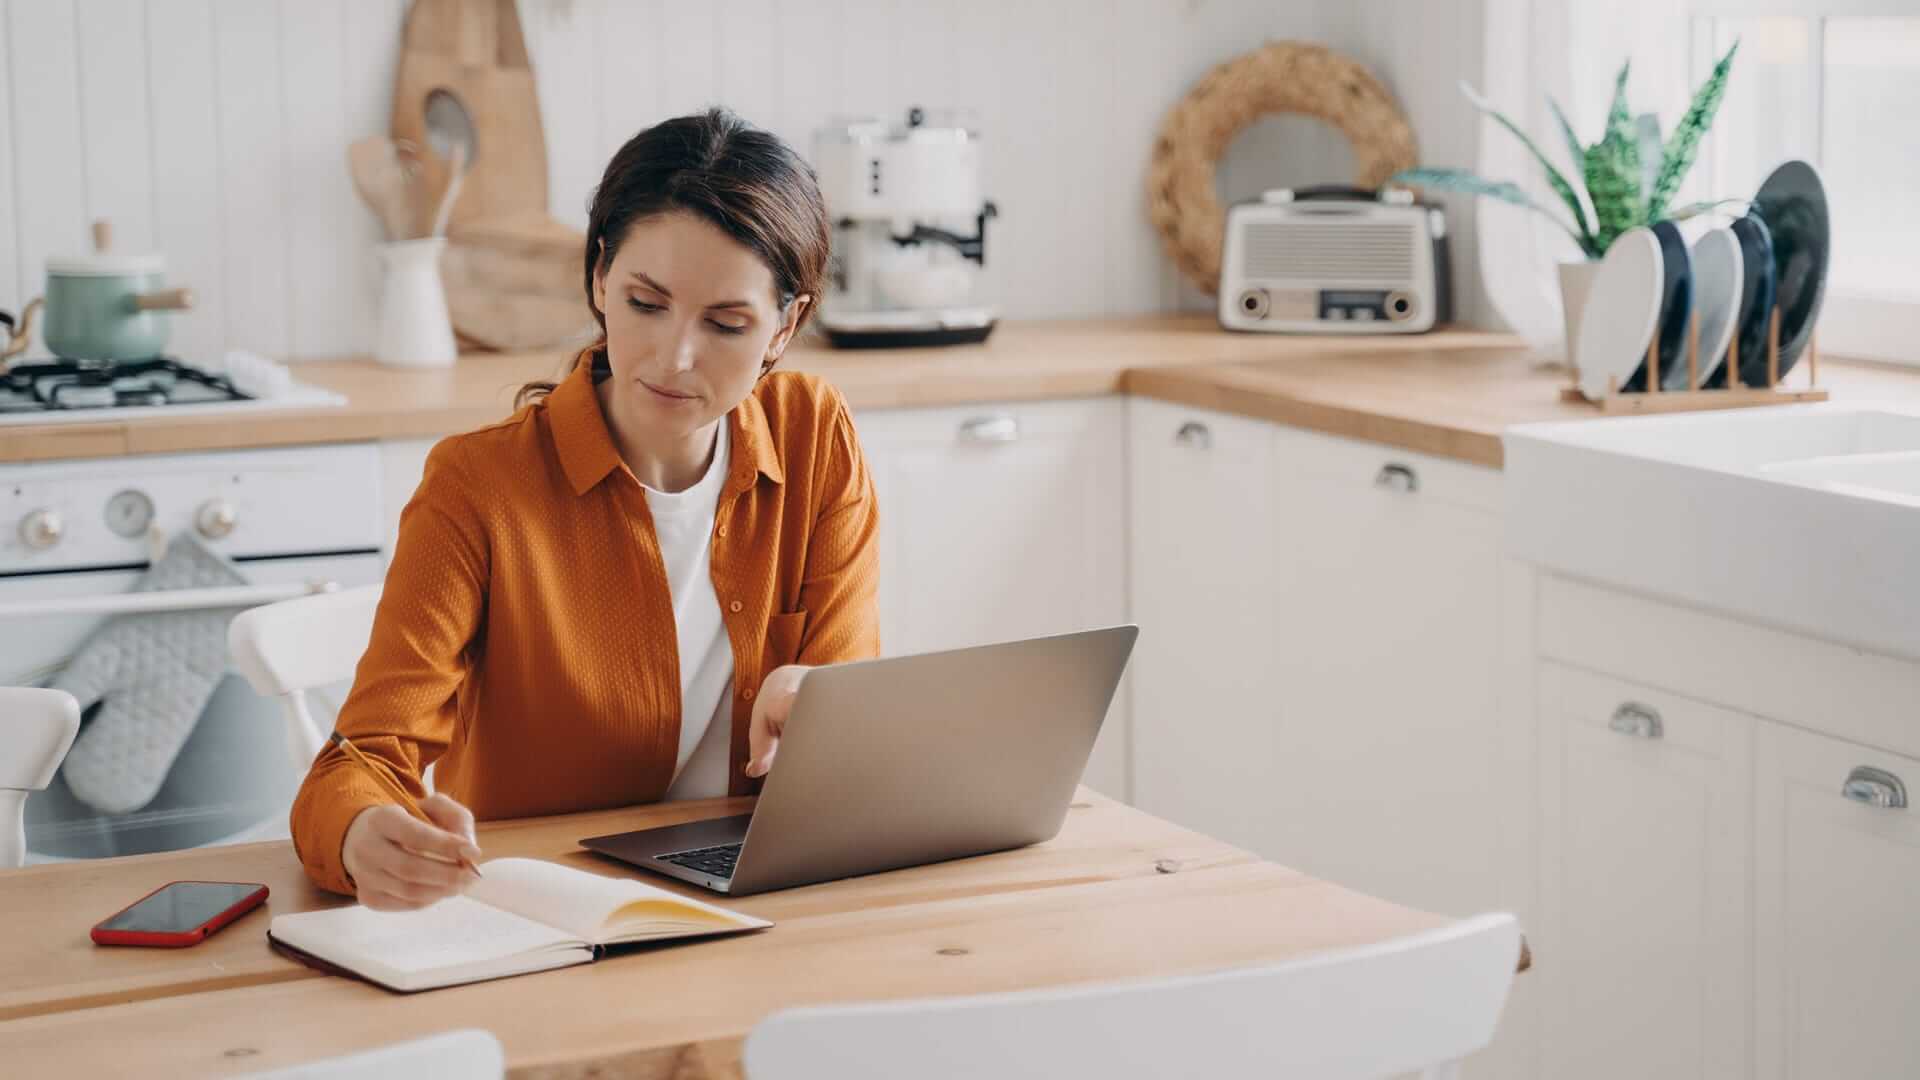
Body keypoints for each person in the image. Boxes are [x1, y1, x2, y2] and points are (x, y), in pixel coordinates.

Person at [289, 109, 879, 909]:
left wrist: (813, 697)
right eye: (646, 303)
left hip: (771, 904)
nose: (674, 358)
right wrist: (362, 836)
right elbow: (358, 761)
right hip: (552, 919)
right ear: (601, 277)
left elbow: (849, 714)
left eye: (727, 323)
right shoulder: (477, 485)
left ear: (786, 325)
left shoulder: (814, 435)